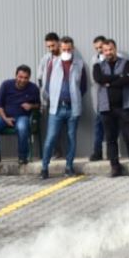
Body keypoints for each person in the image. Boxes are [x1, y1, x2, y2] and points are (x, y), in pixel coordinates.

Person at [92, 39, 129, 177]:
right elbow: (99, 79)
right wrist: (118, 77)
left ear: (115, 49)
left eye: (110, 49)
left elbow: (128, 80)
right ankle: (115, 167)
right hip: (106, 108)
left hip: (124, 107)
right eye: (105, 50)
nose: (108, 52)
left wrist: (110, 82)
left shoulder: (126, 63)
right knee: (110, 139)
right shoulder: (97, 66)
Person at [40, 36, 87, 179]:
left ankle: (69, 167)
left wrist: (75, 98)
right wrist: (50, 99)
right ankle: (44, 167)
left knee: (71, 138)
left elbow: (83, 86)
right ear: (60, 49)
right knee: (51, 138)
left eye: (68, 49)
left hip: (73, 108)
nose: (66, 51)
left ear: (72, 49)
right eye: (63, 49)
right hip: (56, 108)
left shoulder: (79, 63)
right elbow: (45, 84)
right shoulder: (52, 63)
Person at [0, 65, 41, 166]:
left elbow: (38, 105)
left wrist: (31, 106)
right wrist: (5, 118)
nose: (23, 80)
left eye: (26, 78)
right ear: (16, 76)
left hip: (22, 117)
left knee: (22, 127)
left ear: (29, 78)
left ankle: (22, 156)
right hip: (5, 116)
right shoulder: (6, 85)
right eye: (20, 77)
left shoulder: (33, 88)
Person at [38, 32, 67, 160]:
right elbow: (40, 76)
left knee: (67, 127)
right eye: (48, 47)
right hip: (49, 98)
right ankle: (57, 151)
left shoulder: (65, 57)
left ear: (58, 43)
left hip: (63, 97)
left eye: (53, 46)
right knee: (52, 127)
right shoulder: (46, 58)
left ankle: (67, 152)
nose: (51, 49)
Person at [89, 35, 107, 161]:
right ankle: (97, 152)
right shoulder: (94, 59)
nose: (99, 50)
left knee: (113, 128)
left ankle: (112, 153)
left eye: (101, 47)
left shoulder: (117, 58)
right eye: (97, 48)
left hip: (114, 99)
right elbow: (94, 79)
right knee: (99, 127)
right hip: (100, 99)